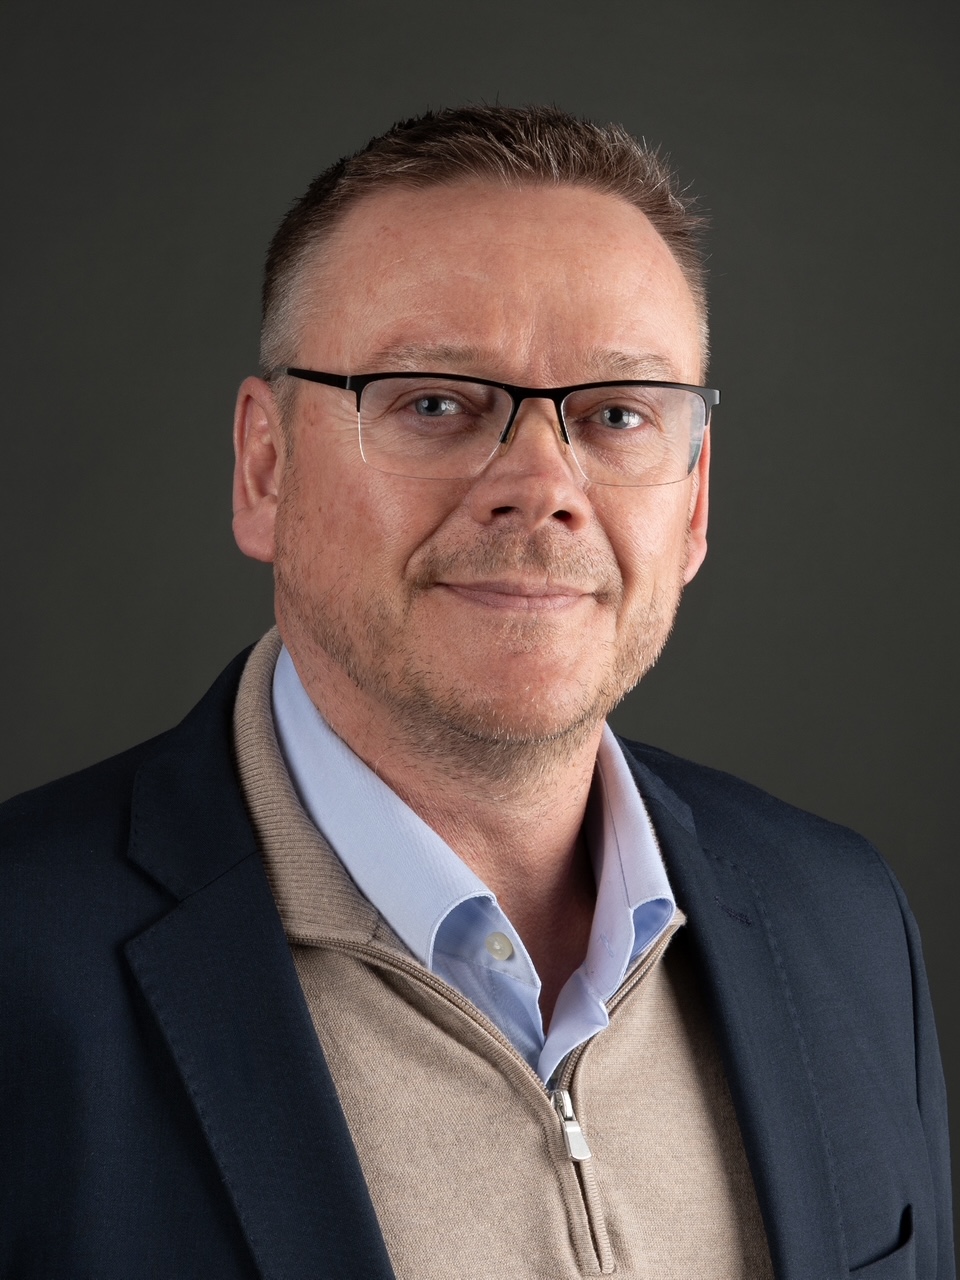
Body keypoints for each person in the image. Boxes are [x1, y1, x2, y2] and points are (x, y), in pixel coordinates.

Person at [0, 106, 952, 1279]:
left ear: (695, 502)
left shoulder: (847, 922)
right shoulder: (21, 965)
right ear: (265, 467)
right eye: (435, 402)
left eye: (617, 413)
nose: (541, 485)